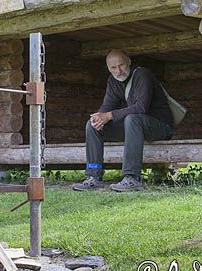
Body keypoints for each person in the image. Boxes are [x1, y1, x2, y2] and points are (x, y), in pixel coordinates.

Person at [72, 49, 173, 192]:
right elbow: (107, 107)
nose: (118, 71)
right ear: (108, 68)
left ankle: (132, 178)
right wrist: (99, 118)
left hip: (160, 126)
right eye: (113, 68)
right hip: (135, 129)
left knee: (132, 119)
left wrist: (109, 116)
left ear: (129, 62)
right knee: (92, 125)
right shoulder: (113, 81)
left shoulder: (142, 75)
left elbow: (141, 107)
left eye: (121, 65)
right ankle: (94, 177)